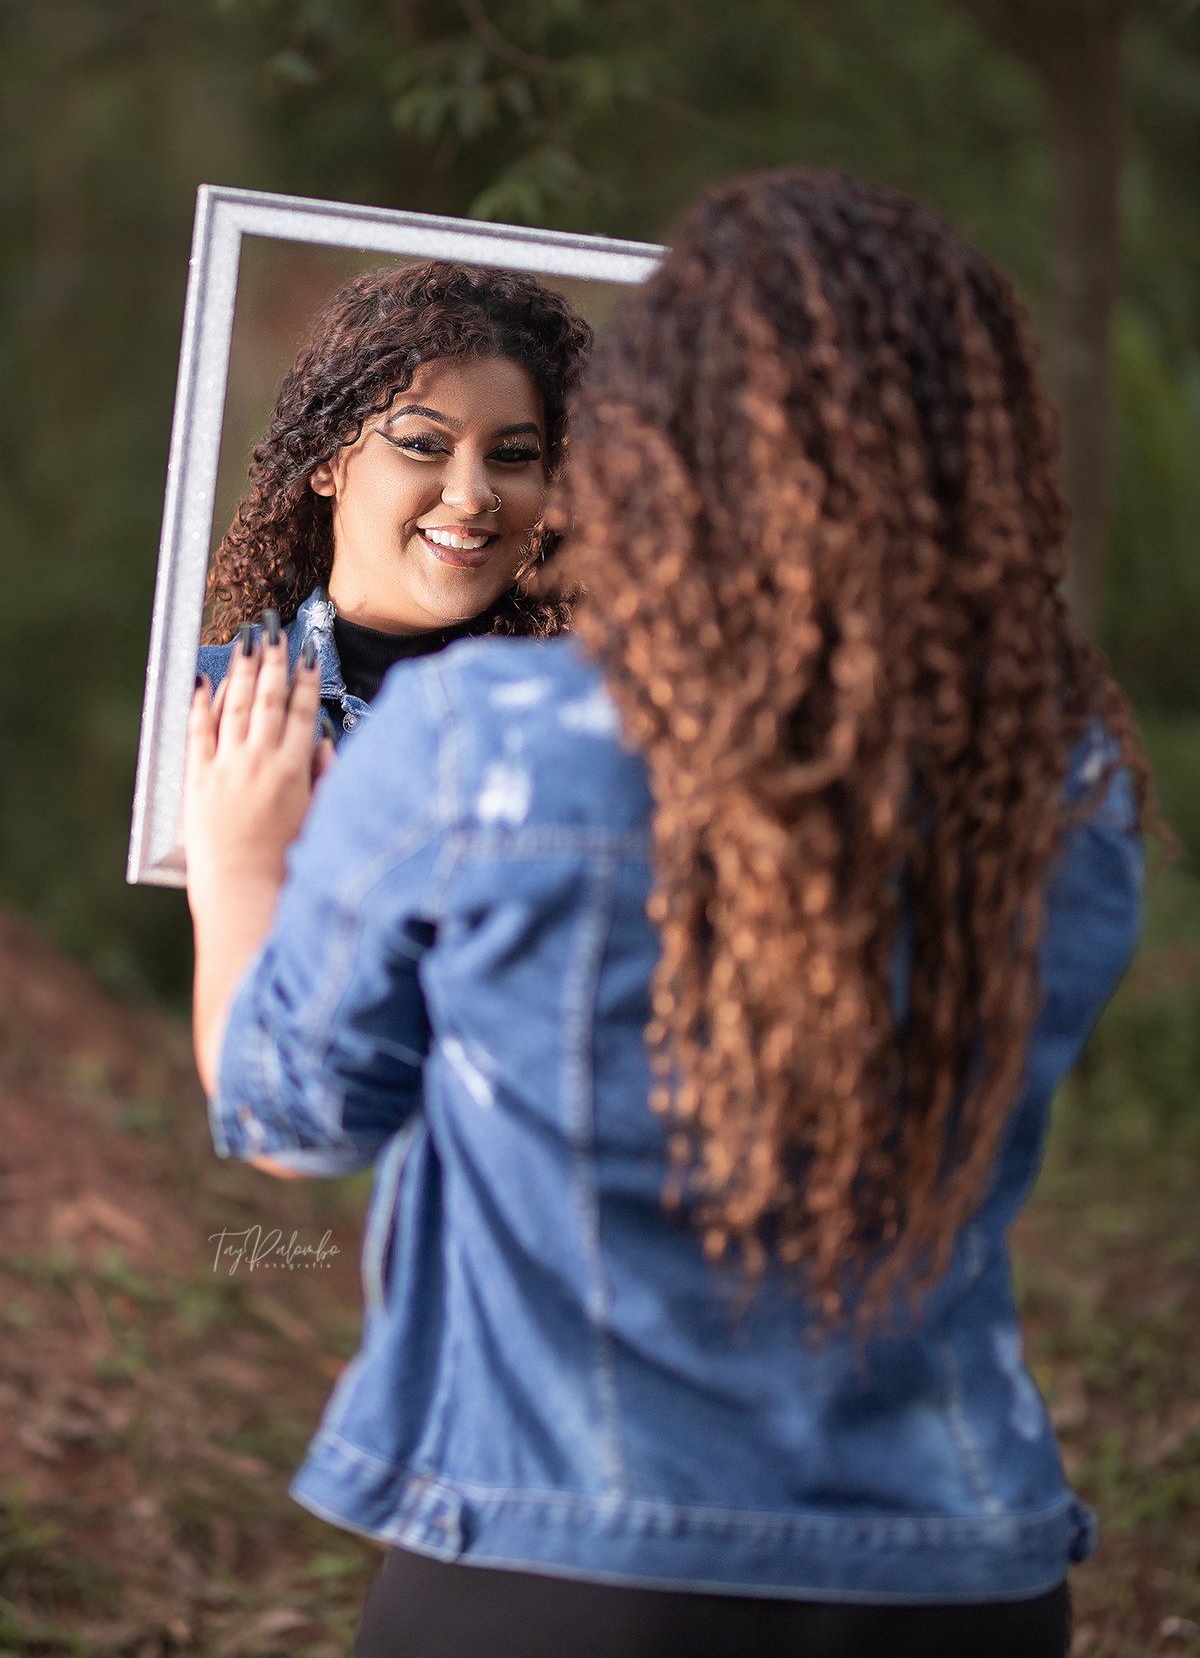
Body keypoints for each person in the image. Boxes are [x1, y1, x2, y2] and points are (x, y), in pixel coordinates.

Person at [182, 170, 1148, 1658]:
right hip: (963, 1568)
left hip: (563, 1562)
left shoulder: (482, 743)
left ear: (647, 446)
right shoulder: (1067, 786)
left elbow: (291, 1117)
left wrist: (244, 870)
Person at [197, 261, 590, 738]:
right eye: (422, 445)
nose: (472, 496)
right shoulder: (201, 702)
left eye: (512, 454)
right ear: (324, 460)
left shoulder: (590, 720)